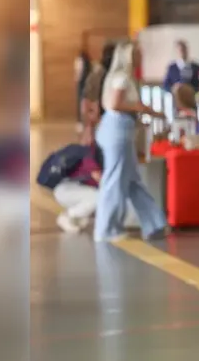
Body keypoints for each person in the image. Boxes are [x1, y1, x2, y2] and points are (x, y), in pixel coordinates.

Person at [93, 41, 168, 243]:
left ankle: (154, 223)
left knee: (133, 180)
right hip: (116, 131)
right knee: (114, 180)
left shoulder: (125, 79)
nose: (140, 59)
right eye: (137, 55)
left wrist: (146, 112)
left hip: (122, 130)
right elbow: (115, 104)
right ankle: (107, 229)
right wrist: (141, 109)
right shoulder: (121, 79)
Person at [53, 128, 104, 233]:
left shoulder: (91, 152)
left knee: (98, 196)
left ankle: (79, 217)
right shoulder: (88, 155)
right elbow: (99, 178)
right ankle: (68, 216)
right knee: (99, 197)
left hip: (71, 189)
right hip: (67, 190)